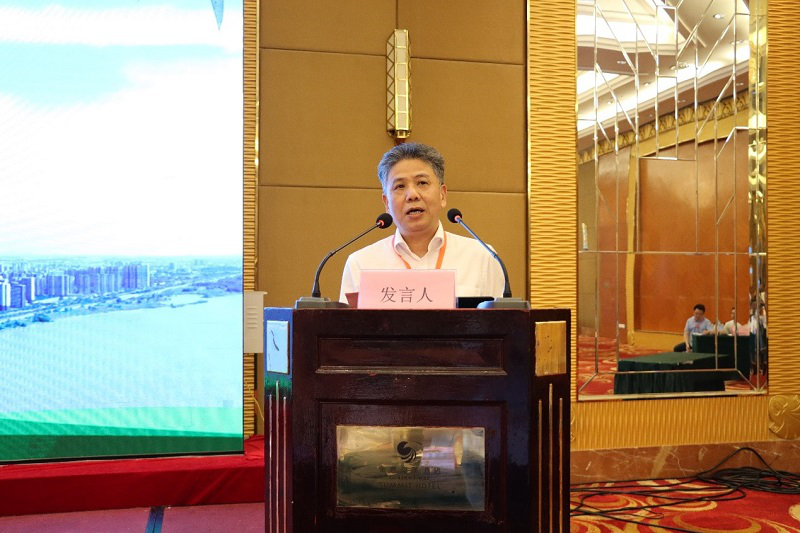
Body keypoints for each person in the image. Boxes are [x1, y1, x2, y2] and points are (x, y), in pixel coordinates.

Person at [339, 142, 504, 304]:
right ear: (386, 203)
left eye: (422, 183)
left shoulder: (482, 258)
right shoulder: (361, 264)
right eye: (400, 186)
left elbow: (500, 320)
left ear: (442, 195)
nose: (412, 195)